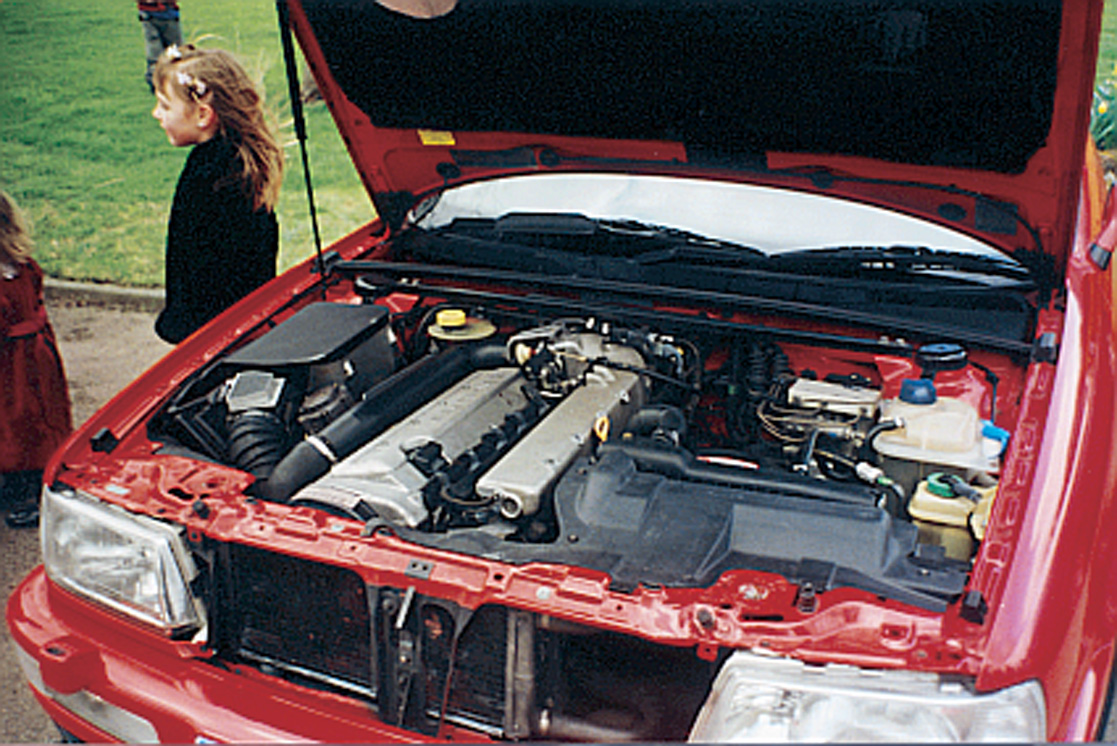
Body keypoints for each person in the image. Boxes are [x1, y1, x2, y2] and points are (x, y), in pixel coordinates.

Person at [150, 44, 283, 344]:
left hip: (215, 335)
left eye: (165, 105)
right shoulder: (237, 160)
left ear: (202, 115)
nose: (156, 114)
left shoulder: (208, 177)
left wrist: (186, 328)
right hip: (246, 323)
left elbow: (196, 267)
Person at [0, 191, 73, 529]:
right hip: (33, 354)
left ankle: (25, 490)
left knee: (18, 423)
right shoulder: (24, 265)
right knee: (34, 418)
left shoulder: (14, 273)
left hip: (13, 359)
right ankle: (25, 483)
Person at [138, 1, 183, 93]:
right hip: (158, 16)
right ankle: (159, 83)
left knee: (167, 52)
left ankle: (166, 82)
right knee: (170, 51)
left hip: (159, 15)